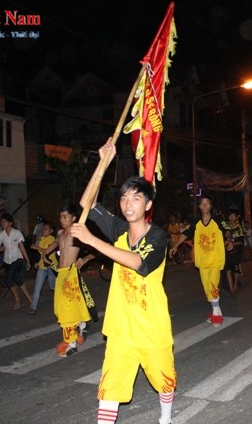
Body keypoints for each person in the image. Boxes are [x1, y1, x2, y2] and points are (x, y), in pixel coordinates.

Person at [71, 139, 176, 424]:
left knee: (163, 379)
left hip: (152, 326)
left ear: (148, 204)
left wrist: (93, 241)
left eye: (136, 198)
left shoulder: (158, 236)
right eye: (124, 198)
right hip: (120, 328)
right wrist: (103, 163)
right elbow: (87, 203)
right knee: (110, 387)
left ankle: (166, 418)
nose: (128, 204)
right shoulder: (118, 228)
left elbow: (139, 263)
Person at [46, 204, 98, 355]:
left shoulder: (78, 233)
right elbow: (53, 246)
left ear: (73, 218)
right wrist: (43, 254)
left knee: (67, 310)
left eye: (65, 217)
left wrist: (85, 258)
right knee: (59, 308)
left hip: (71, 273)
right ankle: (82, 323)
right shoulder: (60, 233)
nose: (62, 220)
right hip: (61, 274)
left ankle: (71, 343)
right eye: (60, 217)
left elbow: (97, 248)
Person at [170, 194, 229, 327]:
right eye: (202, 203)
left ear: (210, 206)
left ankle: (216, 316)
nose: (205, 205)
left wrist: (229, 239)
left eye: (207, 203)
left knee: (213, 286)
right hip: (202, 260)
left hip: (215, 259)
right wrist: (175, 245)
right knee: (207, 289)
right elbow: (184, 234)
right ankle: (217, 311)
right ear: (199, 207)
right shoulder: (195, 222)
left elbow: (227, 230)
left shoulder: (218, 220)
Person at [0, 213, 33, 310]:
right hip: (7, 261)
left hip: (17, 259)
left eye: (5, 222)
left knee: (8, 279)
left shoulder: (17, 233)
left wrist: (27, 261)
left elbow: (22, 247)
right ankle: (30, 299)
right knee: (18, 280)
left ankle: (17, 300)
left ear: (10, 223)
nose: (3, 224)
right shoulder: (1, 235)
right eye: (2, 222)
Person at [28, 221, 58, 315]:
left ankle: (62, 303)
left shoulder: (52, 239)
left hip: (51, 266)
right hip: (42, 266)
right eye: (43, 229)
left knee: (53, 287)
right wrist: (38, 263)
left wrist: (36, 247)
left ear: (51, 231)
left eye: (46, 229)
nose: (44, 231)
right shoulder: (42, 239)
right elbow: (43, 255)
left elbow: (46, 251)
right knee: (37, 288)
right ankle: (33, 308)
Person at [224, 209, 244, 294]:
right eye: (230, 216)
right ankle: (231, 288)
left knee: (236, 270)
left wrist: (232, 243)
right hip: (227, 253)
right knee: (228, 270)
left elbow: (241, 241)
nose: (232, 218)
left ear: (236, 217)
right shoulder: (225, 227)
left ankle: (235, 285)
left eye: (234, 216)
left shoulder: (239, 228)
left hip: (236, 253)